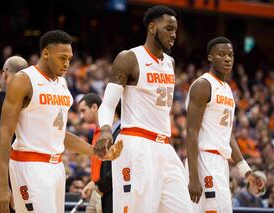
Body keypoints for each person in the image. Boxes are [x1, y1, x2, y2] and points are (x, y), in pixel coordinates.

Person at [0, 30, 123, 213]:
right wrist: (2, 184)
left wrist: (96, 152)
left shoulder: (62, 85)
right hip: (29, 165)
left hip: (56, 167)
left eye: (69, 58)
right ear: (46, 53)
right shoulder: (23, 80)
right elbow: (5, 132)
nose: (67, 63)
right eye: (62, 58)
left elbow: (60, 134)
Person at [95, 5, 193, 213]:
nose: (174, 34)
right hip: (137, 144)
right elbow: (108, 104)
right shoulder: (129, 58)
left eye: (175, 30)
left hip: (165, 147)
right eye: (168, 28)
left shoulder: (170, 62)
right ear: (152, 28)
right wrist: (105, 128)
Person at [185, 36, 265, 213]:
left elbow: (227, 134)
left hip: (221, 164)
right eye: (221, 54)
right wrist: (194, 177)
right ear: (210, 57)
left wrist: (246, 171)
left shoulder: (228, 89)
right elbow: (191, 132)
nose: (227, 58)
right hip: (204, 159)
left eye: (230, 54)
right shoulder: (203, 85)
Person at [0, 56, 28, 213]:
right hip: (29, 179)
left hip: (2, 186)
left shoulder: (4, 97)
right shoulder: (33, 100)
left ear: (4, 74)